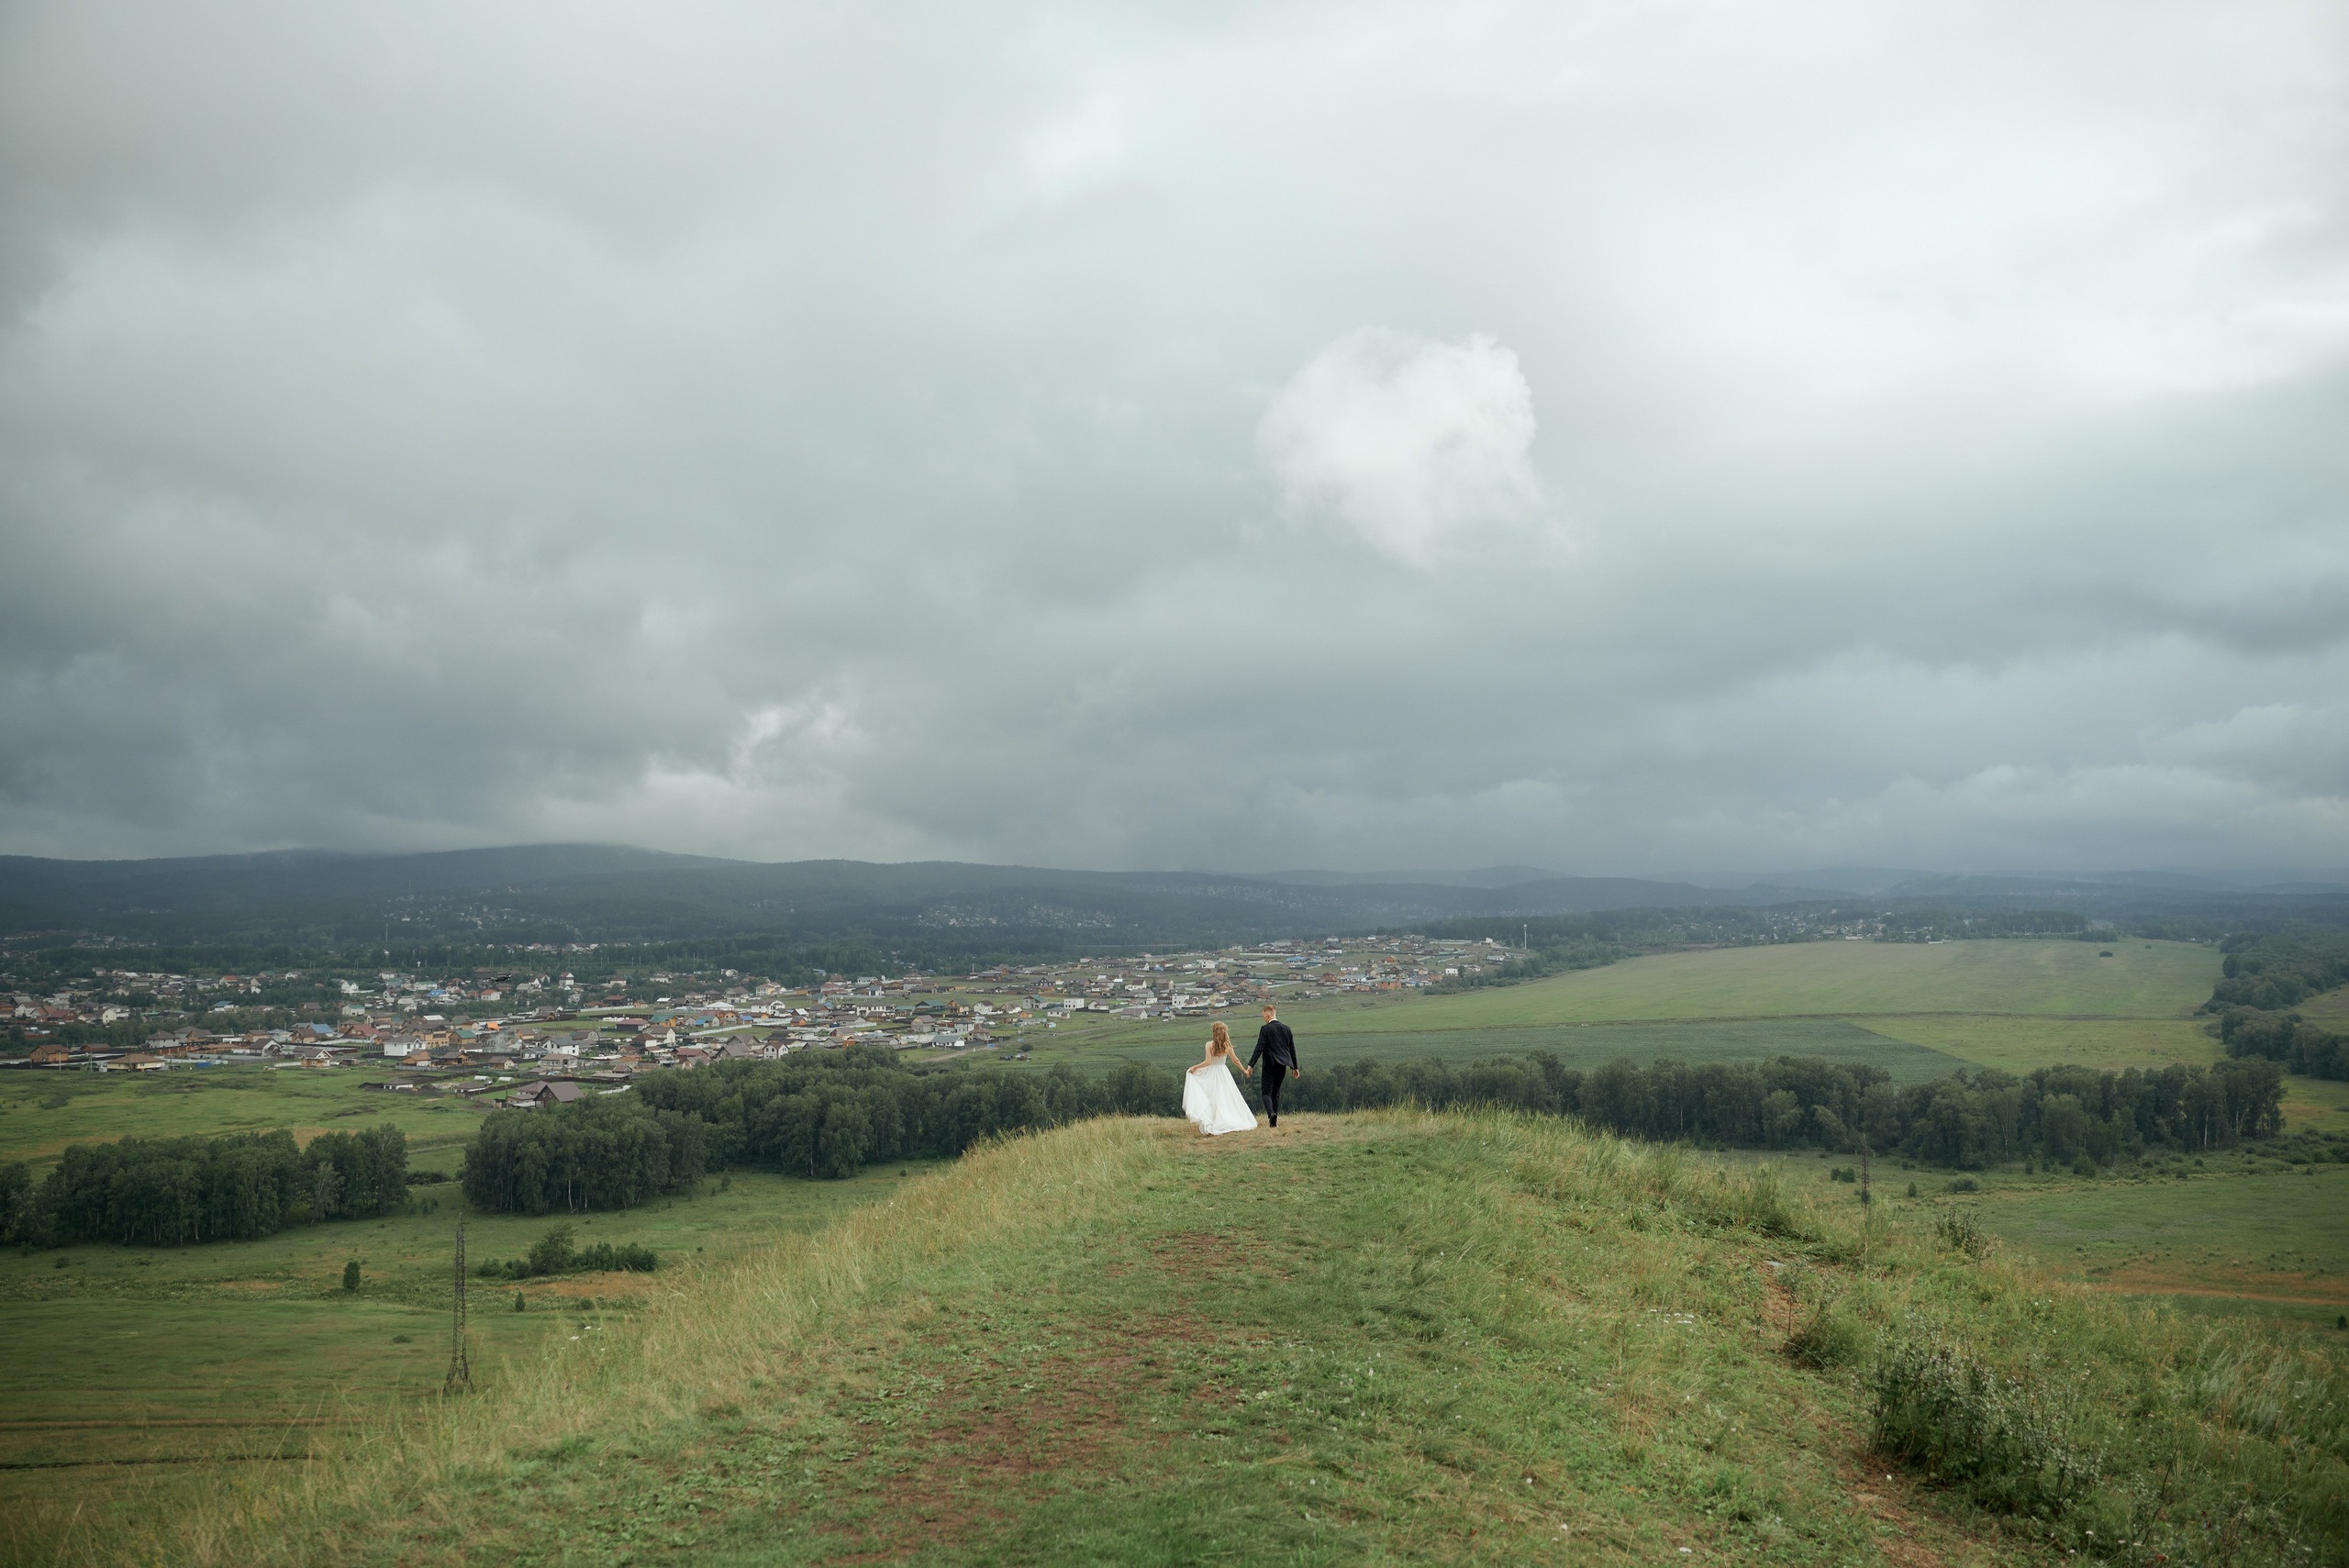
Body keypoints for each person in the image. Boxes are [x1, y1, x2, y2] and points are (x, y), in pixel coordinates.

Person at [1182, 1020, 1256, 1136]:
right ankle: (1226, 1118)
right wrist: (1244, 1071)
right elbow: (1236, 1061)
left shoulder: (1209, 1045)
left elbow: (1208, 1062)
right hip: (1223, 1072)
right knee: (1225, 1096)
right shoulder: (1227, 1046)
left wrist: (1195, 1067)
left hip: (1211, 1072)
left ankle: (1212, 1119)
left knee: (1211, 1097)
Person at [1247, 1004, 1299, 1128]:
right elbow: (1292, 1049)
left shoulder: (1265, 1029)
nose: (1263, 1019)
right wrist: (1295, 1067)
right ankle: (1273, 1122)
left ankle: (1271, 1114)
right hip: (1283, 1065)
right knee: (1276, 1092)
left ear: (1267, 1015)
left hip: (1269, 1065)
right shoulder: (1287, 1029)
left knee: (1266, 1092)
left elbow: (1259, 1048)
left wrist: (1251, 1065)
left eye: (1263, 1016)